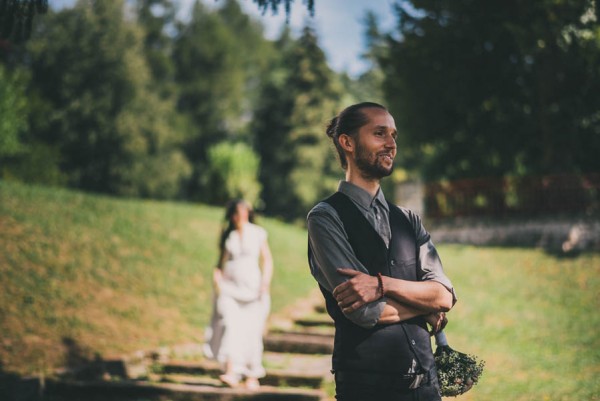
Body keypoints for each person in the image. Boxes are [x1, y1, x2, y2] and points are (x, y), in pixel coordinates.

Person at [307, 102, 457, 401]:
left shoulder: (408, 219)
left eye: (393, 135)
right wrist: (425, 306)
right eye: (379, 133)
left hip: (427, 388)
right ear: (347, 142)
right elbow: (366, 311)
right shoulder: (325, 218)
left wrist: (382, 285)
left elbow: (444, 295)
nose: (391, 144)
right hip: (366, 389)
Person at [203, 199, 273, 390]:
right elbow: (220, 264)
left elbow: (267, 260)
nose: (239, 216)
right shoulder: (229, 236)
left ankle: (252, 374)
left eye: (242, 212)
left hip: (253, 290)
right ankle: (231, 371)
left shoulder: (258, 233)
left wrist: (265, 283)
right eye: (236, 212)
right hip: (229, 290)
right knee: (230, 327)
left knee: (252, 331)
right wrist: (217, 281)